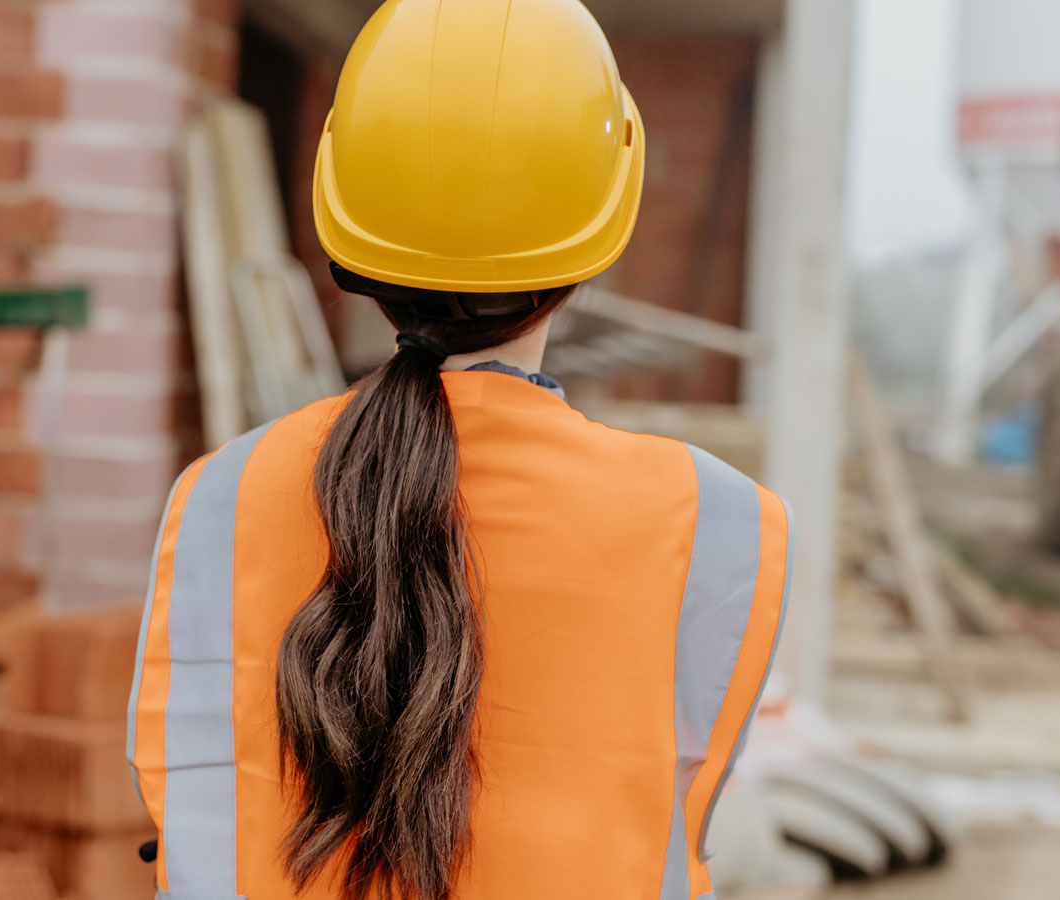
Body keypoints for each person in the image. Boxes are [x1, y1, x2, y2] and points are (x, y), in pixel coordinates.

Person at [126, 0, 792, 898]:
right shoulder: (720, 521)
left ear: (346, 223)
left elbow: (189, 799)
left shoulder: (220, 495)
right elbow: (685, 803)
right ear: (601, 228)